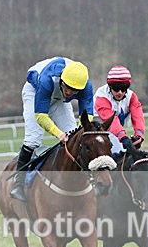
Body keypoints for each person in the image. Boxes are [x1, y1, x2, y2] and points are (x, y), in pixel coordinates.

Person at [11, 57, 94, 201]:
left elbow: (87, 118)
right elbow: (41, 116)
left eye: (74, 90)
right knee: (33, 140)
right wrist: (58, 134)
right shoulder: (47, 80)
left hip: (58, 99)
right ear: (62, 79)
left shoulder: (86, 87)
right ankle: (17, 184)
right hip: (35, 91)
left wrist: (84, 132)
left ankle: (74, 181)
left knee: (74, 138)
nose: (69, 92)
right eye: (67, 87)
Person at [93, 65, 145, 155]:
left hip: (115, 131)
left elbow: (138, 116)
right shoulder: (101, 96)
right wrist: (123, 137)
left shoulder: (132, 96)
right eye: (116, 88)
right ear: (110, 86)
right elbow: (111, 120)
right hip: (97, 131)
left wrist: (139, 135)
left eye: (124, 88)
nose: (120, 92)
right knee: (117, 154)